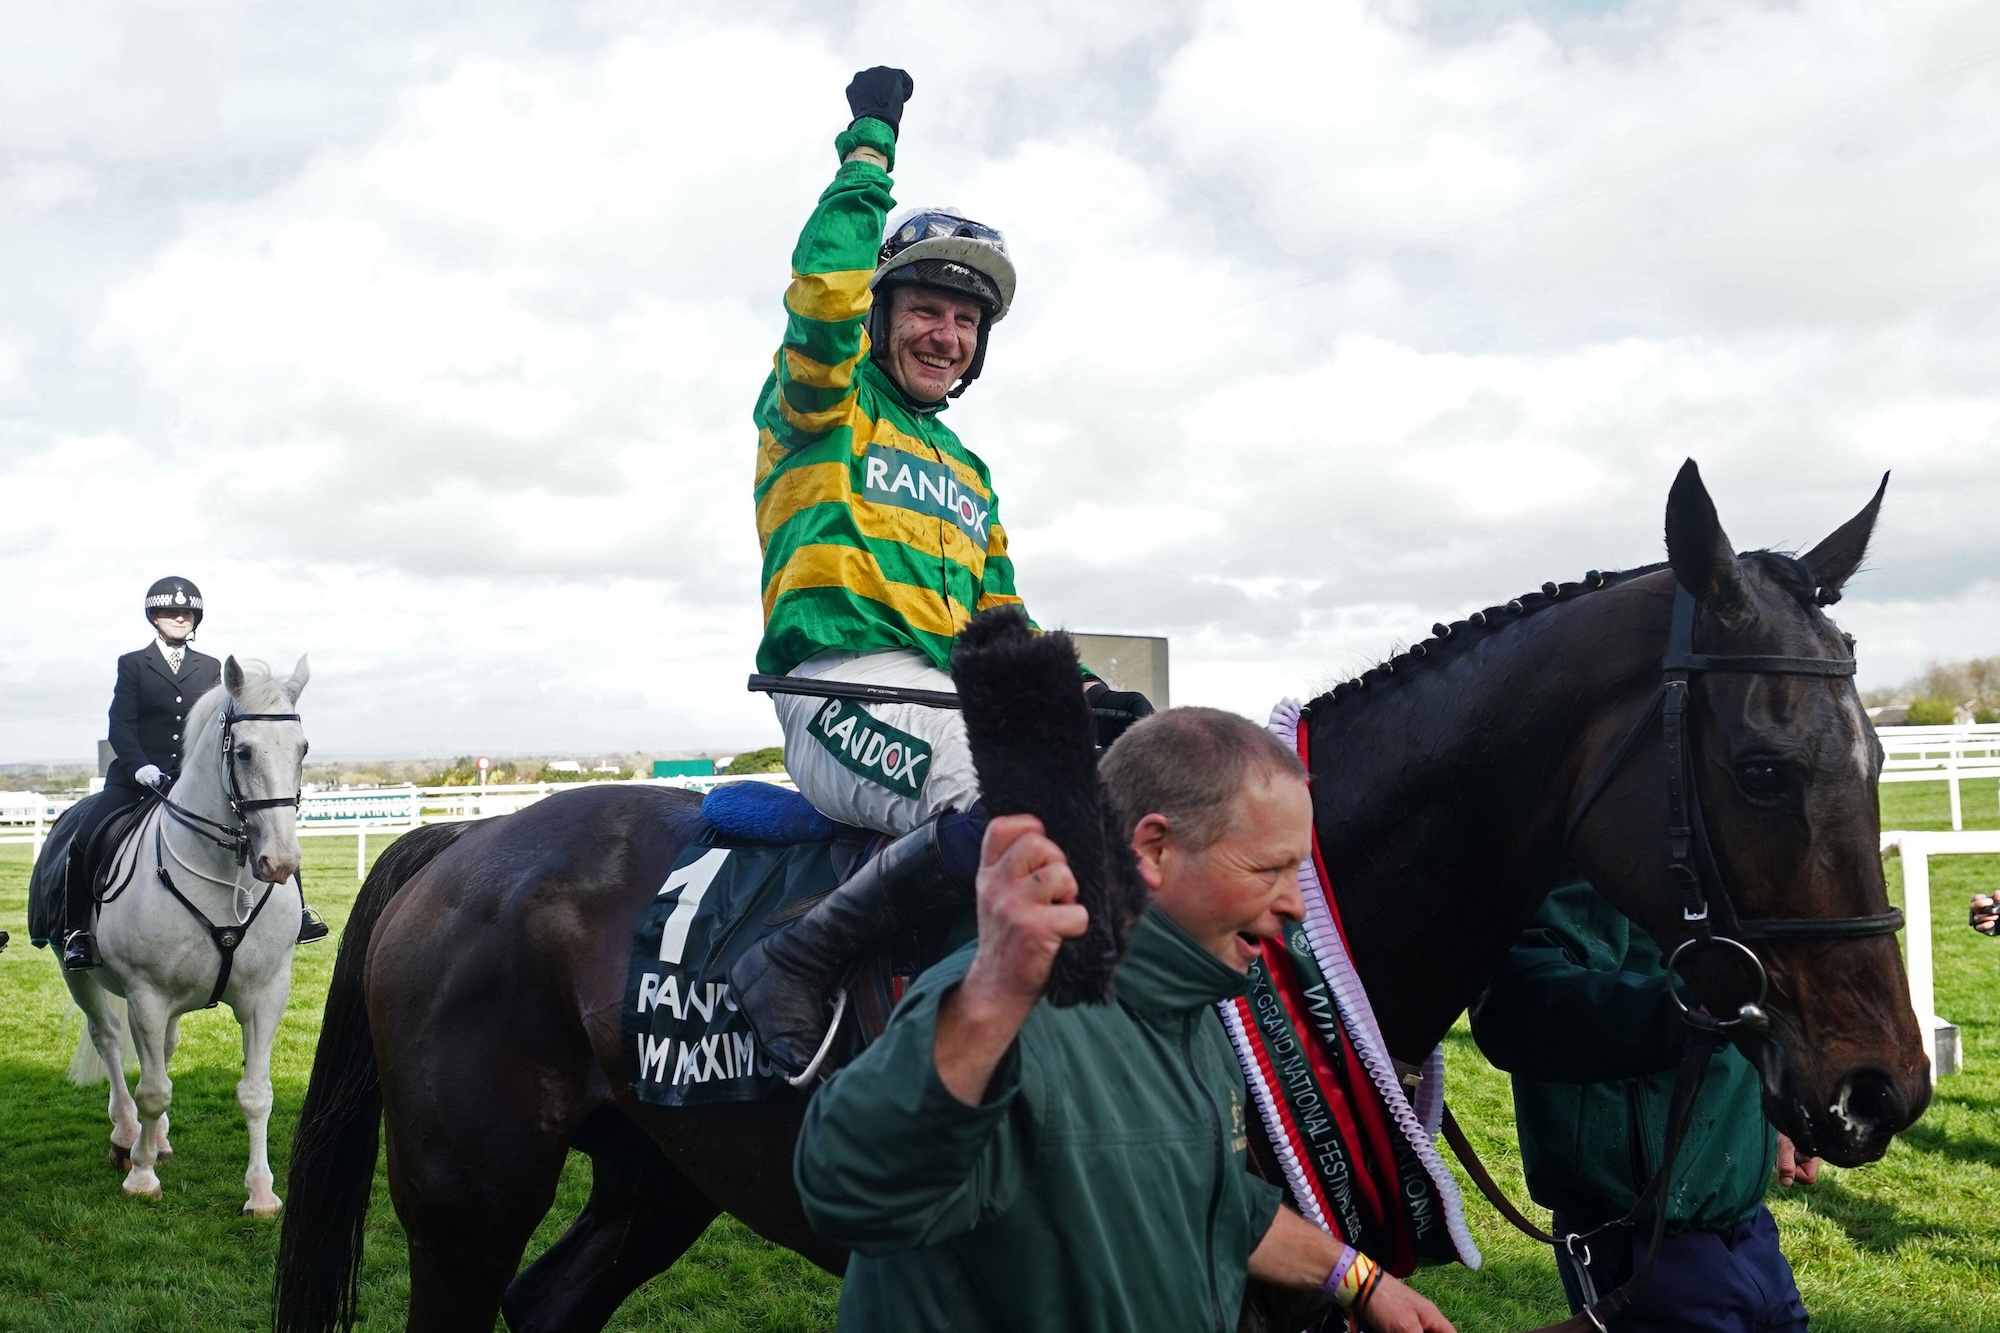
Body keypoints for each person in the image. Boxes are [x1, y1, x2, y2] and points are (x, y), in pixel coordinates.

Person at [731, 65, 1148, 1078]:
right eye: (925, 308)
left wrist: (1087, 692)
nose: (945, 335)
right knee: (1005, 799)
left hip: (954, 693)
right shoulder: (820, 403)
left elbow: (998, 618)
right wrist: (867, 144)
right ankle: (797, 953)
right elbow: (823, 293)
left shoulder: (968, 471)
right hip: (836, 691)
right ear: (883, 313)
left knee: (1135, 775)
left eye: (964, 323)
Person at [793, 708, 1454, 1333]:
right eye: (1268, 868)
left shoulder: (1189, 1009)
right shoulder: (1009, 1015)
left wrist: (1364, 1281)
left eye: (1297, 870)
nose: (1295, 905)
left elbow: (1213, 1201)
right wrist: (993, 993)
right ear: (1155, 849)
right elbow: (849, 1190)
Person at [1468, 873, 1817, 1333]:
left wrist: (1778, 1099)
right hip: (1636, 1232)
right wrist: (1699, 1012)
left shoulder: (1719, 821)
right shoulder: (1576, 826)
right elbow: (1519, 1004)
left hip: (1746, 1220)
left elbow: (1755, 981)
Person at [62, 576, 326, 970]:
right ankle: (77, 932)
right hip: (137, 777)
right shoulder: (133, 664)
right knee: (87, 834)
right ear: (154, 617)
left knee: (269, 827)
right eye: (170, 612)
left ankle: (298, 913)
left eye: (187, 612)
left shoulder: (211, 668)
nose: (179, 618)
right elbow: (120, 724)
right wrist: (141, 767)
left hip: (192, 778)